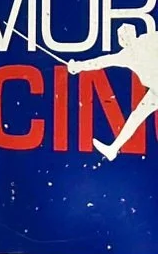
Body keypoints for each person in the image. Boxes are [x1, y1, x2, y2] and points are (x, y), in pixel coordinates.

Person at [66, 23, 158, 160]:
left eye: (127, 37)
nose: (126, 41)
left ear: (134, 35)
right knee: (136, 116)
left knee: (136, 116)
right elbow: (101, 62)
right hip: (155, 91)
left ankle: (113, 149)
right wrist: (78, 66)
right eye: (123, 38)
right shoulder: (126, 56)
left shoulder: (149, 41)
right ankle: (113, 149)